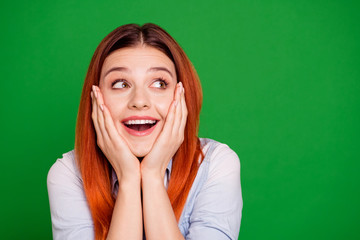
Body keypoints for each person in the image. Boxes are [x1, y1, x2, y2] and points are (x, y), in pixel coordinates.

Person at [47, 23, 242, 240]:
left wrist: (152, 176)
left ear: (181, 94)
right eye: (121, 84)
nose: (139, 101)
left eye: (159, 83)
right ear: (96, 97)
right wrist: (129, 178)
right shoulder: (69, 174)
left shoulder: (215, 164)